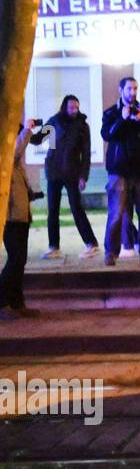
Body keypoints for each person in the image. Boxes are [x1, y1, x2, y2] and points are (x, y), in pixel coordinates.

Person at [101, 77, 140, 267]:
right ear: (121, 90)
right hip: (119, 171)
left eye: (135, 88)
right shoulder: (111, 113)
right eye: (129, 88)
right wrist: (122, 118)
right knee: (116, 213)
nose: (133, 92)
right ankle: (111, 252)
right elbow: (107, 134)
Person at [31, 94, 98, 260]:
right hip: (54, 172)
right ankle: (54, 247)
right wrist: (24, 129)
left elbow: (86, 153)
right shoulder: (54, 122)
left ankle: (92, 244)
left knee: (76, 208)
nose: (74, 110)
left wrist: (84, 176)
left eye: (76, 107)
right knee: (52, 210)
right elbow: (39, 139)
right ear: (64, 107)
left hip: (73, 172)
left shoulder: (82, 126)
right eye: (71, 107)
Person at [1, 119, 39, 320]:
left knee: (20, 260)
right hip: (10, 217)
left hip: (21, 215)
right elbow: (13, 152)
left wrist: (31, 193)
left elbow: (19, 181)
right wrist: (26, 130)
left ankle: (17, 303)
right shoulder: (5, 155)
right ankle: (3, 301)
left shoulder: (15, 165)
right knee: (15, 259)